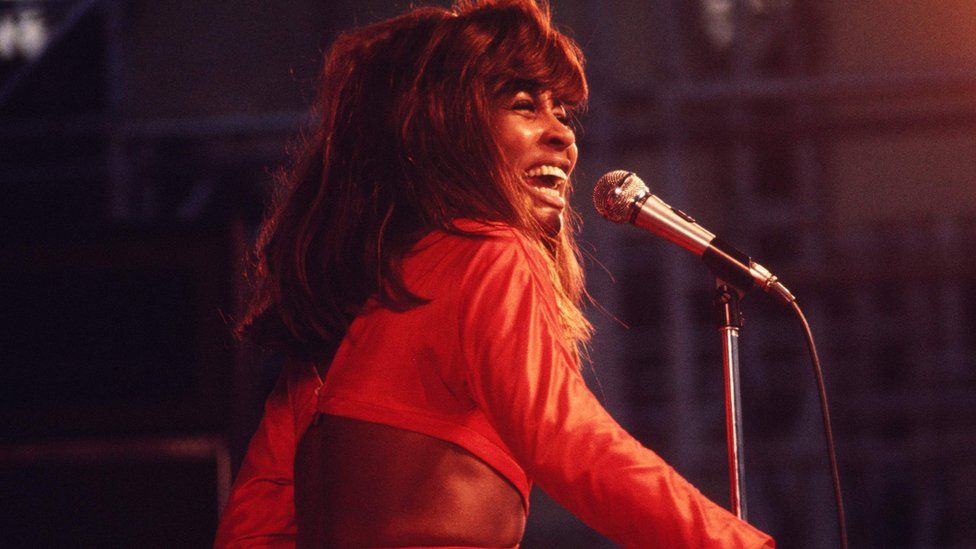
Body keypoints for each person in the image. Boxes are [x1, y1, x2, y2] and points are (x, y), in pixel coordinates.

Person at [214, 1, 775, 547]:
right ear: (448, 130)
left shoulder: (351, 302)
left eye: (562, 111)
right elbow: (573, 441)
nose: (564, 136)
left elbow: (255, 525)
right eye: (526, 107)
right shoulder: (489, 252)